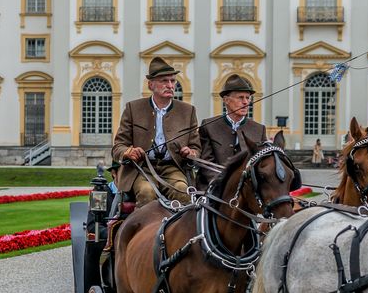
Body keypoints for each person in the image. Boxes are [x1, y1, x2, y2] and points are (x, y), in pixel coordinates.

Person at [112, 57, 200, 205]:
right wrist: (128, 152)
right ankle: (145, 228)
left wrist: (191, 153)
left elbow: (196, 148)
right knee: (147, 192)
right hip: (141, 168)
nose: (170, 85)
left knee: (182, 191)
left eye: (173, 81)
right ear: (150, 85)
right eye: (164, 81)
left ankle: (180, 228)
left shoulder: (187, 111)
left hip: (173, 168)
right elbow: (118, 147)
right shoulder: (133, 109)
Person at [197, 74, 267, 189]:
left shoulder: (259, 129)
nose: (245, 102)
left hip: (248, 189)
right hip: (213, 188)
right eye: (240, 97)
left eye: (247, 98)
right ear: (226, 100)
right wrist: (221, 184)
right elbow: (205, 163)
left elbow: (262, 164)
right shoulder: (209, 126)